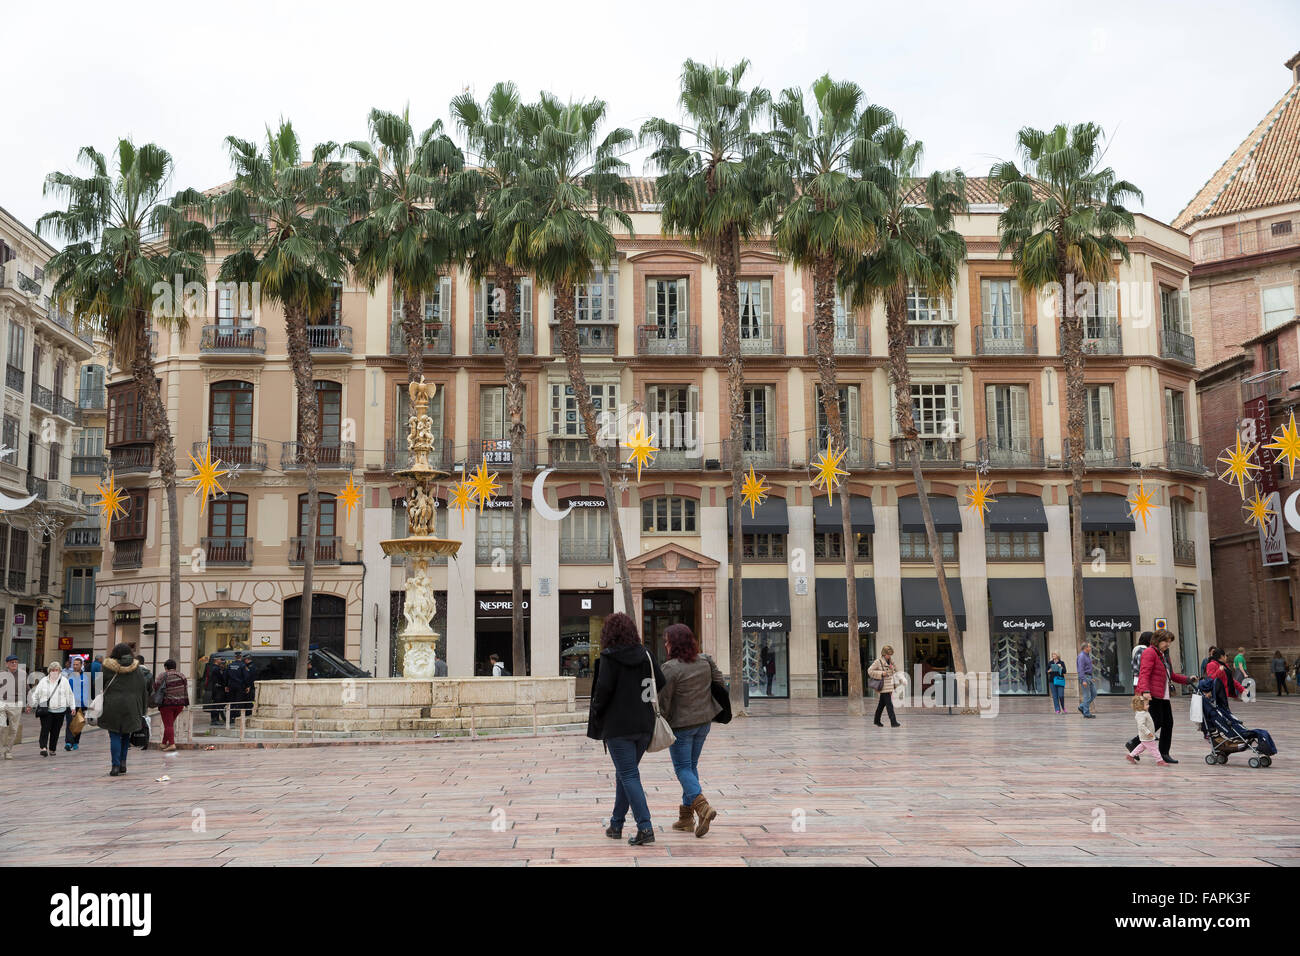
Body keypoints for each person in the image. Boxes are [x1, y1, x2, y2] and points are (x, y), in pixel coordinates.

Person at [586, 611, 666, 847]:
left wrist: (597, 711)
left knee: (629, 775)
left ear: (608, 634)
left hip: (618, 727)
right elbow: (658, 683)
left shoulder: (609, 658)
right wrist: (641, 700)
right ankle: (616, 824)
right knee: (626, 774)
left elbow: (603, 691)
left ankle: (645, 827)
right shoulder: (647, 655)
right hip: (644, 725)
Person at [658, 623, 723, 837]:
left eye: (667, 641)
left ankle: (703, 807)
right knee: (691, 767)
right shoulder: (704, 662)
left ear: (674, 644)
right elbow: (719, 683)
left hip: (682, 726)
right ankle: (686, 818)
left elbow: (663, 701)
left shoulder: (670, 668)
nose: (665, 645)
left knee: (683, 768)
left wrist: (660, 723)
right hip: (703, 723)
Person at [1134, 628, 1194, 764]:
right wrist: (1145, 691)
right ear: (1157, 640)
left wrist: (1187, 679)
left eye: (1169, 641)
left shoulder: (1163, 655)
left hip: (1163, 695)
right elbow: (1144, 673)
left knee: (1168, 723)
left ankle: (1164, 753)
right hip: (1153, 694)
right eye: (1166, 641)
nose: (1168, 644)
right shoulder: (1149, 652)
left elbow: (1171, 675)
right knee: (1157, 722)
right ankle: (1134, 743)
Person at [100, 642, 150, 776]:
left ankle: (115, 766)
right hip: (132, 706)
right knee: (126, 735)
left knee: (115, 735)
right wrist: (143, 709)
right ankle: (123, 763)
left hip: (112, 705)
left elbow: (97, 684)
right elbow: (143, 690)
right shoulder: (137, 669)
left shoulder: (106, 667)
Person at [27, 662, 74, 757]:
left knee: (55, 731)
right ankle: (43, 747)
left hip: (60, 709)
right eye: (52, 670)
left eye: (56, 670)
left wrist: (72, 707)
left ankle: (52, 748)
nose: (54, 672)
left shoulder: (64, 681)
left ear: (60, 671)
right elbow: (36, 694)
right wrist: (31, 704)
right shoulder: (43, 680)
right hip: (46, 709)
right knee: (45, 729)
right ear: (49, 671)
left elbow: (70, 695)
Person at [153, 659, 189, 752]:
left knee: (168, 725)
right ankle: (164, 743)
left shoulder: (163, 675)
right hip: (180, 704)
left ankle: (172, 744)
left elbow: (156, 687)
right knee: (169, 724)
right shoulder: (182, 676)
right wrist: (186, 702)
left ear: (166, 667)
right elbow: (185, 689)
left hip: (167, 704)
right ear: (175, 667)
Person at [1125, 694, 1168, 766]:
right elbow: (1141, 726)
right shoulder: (1141, 714)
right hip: (1147, 736)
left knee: (1141, 747)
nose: (1149, 706)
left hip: (1146, 736)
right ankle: (1159, 760)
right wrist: (1148, 733)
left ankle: (1130, 756)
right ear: (1140, 706)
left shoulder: (1144, 712)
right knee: (1154, 748)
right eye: (1147, 704)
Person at [867, 645, 901, 727]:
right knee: (889, 705)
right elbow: (870, 671)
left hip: (890, 685)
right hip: (884, 686)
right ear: (884, 653)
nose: (889, 656)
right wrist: (881, 673)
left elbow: (896, 670)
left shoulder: (891, 661)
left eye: (890, 654)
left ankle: (876, 720)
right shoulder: (878, 661)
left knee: (881, 705)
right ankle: (893, 722)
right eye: (888, 654)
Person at [64, 656, 93, 751]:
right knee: (70, 723)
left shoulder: (86, 677)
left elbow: (91, 690)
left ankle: (76, 742)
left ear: (82, 665)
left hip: (82, 704)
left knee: (78, 723)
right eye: (74, 664)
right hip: (71, 704)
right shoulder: (69, 676)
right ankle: (68, 742)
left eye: (77, 664)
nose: (75, 666)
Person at [1, 656, 22, 759]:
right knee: (2, 727)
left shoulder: (22, 674)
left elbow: (26, 689)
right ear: (7, 664)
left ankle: (8, 751)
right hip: (2, 703)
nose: (14, 664)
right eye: (12, 662)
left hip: (16, 704)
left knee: (13, 729)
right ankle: (1, 749)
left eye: (16, 662)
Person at [1076, 642, 1097, 718]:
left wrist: (1092, 677)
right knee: (1087, 696)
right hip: (1085, 677)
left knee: (1094, 693)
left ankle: (1082, 706)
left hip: (1089, 677)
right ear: (1085, 648)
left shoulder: (1087, 655)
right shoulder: (1081, 656)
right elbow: (1080, 669)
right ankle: (1086, 713)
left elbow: (1088, 668)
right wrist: (1083, 680)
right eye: (1089, 647)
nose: (1090, 648)